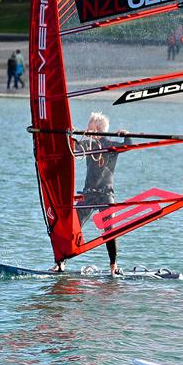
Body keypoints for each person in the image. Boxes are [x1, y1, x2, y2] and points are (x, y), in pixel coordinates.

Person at [52, 112, 131, 275]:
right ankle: (61, 263)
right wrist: (70, 135)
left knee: (109, 230)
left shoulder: (111, 146)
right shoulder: (88, 145)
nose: (86, 130)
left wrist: (127, 135)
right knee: (71, 225)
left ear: (98, 129)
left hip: (106, 194)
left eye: (89, 127)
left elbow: (127, 146)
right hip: (89, 194)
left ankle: (113, 266)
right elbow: (72, 148)